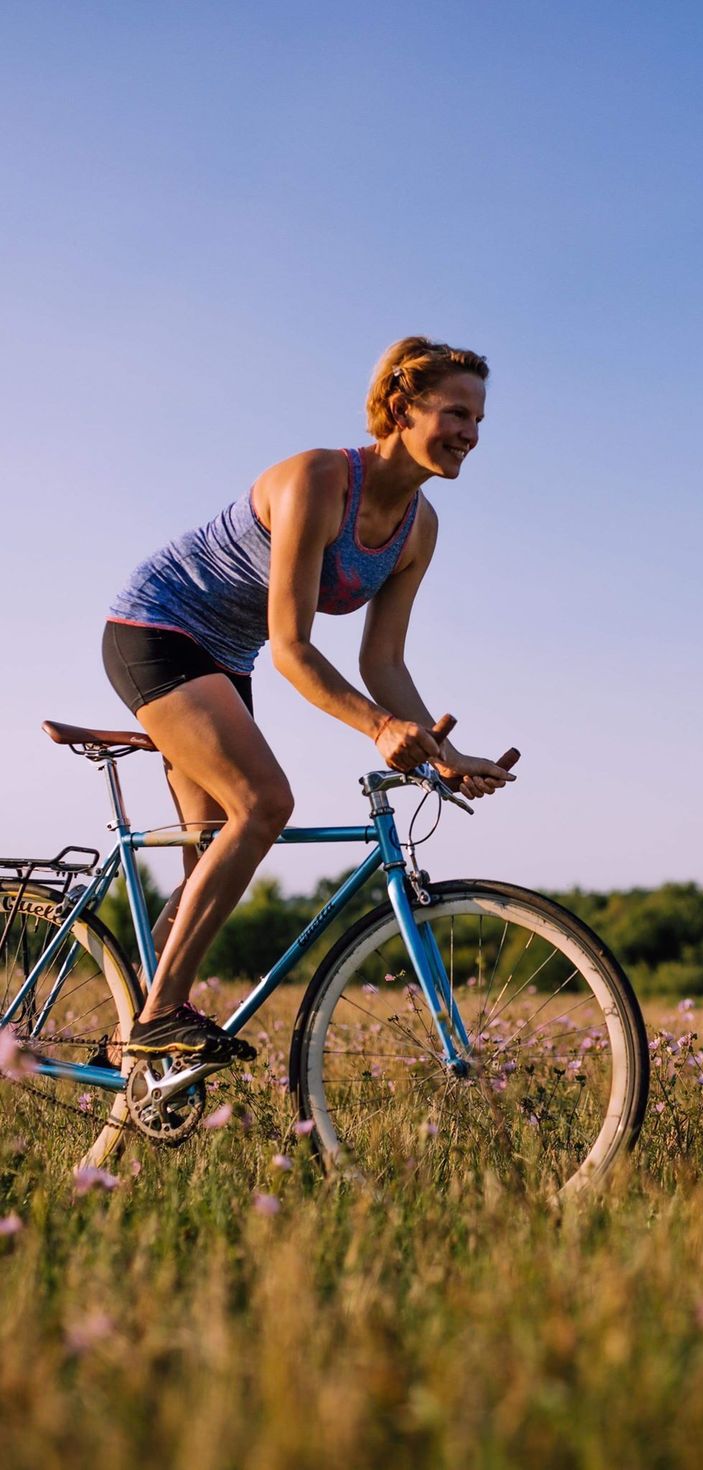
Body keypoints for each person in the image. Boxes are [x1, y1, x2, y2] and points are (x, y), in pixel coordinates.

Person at [102, 336, 514, 1062]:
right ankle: (159, 1015)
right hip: (156, 628)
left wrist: (441, 758)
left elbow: (382, 661)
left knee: (209, 865)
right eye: (456, 412)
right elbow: (291, 647)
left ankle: (129, 1049)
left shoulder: (420, 527)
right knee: (264, 803)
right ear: (399, 406)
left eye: (479, 420)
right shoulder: (318, 480)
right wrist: (381, 728)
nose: (471, 435)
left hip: (226, 657)